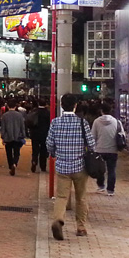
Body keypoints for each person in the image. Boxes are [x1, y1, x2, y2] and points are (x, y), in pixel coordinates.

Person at [46, 93, 96, 240]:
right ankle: (80, 227)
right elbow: (91, 145)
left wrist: (55, 153)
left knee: (61, 196)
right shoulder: (82, 123)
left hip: (62, 166)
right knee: (81, 197)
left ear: (61, 106)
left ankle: (58, 220)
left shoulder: (55, 123)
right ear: (75, 106)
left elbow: (49, 144)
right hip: (80, 166)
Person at [91, 100, 124, 196]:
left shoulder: (96, 121)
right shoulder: (117, 122)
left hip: (99, 149)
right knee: (111, 170)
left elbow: (93, 136)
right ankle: (110, 190)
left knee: (100, 169)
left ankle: (101, 186)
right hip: (112, 150)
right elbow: (122, 135)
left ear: (101, 111)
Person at [0, 101, 27, 176]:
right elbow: (22, 126)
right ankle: (15, 163)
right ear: (15, 107)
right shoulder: (19, 115)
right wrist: (23, 135)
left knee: (8, 152)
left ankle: (10, 165)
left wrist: (3, 137)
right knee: (16, 152)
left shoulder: (5, 116)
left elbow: (3, 128)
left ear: (8, 106)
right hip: (17, 136)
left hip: (8, 136)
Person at [27, 104, 50, 172]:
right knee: (43, 150)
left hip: (34, 134)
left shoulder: (34, 111)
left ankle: (34, 161)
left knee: (35, 150)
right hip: (44, 134)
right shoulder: (47, 113)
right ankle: (43, 166)